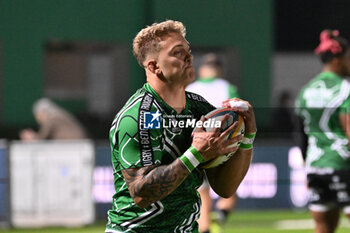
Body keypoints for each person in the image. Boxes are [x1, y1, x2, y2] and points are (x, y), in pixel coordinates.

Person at [105, 20, 257, 233]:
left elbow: (225, 188)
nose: (189, 57)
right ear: (154, 66)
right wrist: (196, 154)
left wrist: (247, 135)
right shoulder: (138, 116)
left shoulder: (200, 109)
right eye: (178, 52)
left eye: (188, 50)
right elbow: (141, 194)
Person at [295, 29, 350, 233]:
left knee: (323, 227)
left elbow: (301, 136)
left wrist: (307, 167)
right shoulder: (345, 89)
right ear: (338, 59)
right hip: (342, 162)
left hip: (316, 166)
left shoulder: (305, 91)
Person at [186, 53, 240, 233]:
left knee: (202, 192)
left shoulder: (190, 89)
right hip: (224, 145)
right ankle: (222, 215)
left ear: (201, 70)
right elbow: (239, 116)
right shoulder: (227, 88)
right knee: (230, 187)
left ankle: (206, 227)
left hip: (197, 144)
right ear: (220, 70)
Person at [19, 98, 88, 140]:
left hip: (76, 147)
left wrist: (32, 137)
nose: (38, 120)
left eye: (38, 116)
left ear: (43, 112)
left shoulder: (53, 118)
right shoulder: (58, 115)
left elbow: (41, 137)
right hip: (76, 146)